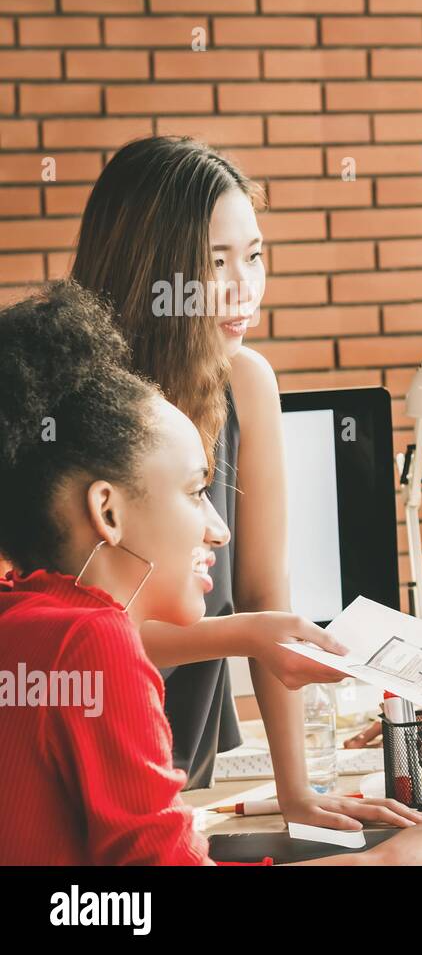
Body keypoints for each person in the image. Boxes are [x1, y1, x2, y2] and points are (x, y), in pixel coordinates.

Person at [0, 282, 422, 866]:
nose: (220, 529)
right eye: (195, 492)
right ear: (107, 511)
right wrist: (386, 861)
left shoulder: (24, 622)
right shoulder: (93, 643)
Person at [69, 136, 374, 831]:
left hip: (185, 755)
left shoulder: (246, 383)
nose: (245, 286)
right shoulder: (77, 401)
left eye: (256, 254)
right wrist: (244, 635)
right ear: (152, 269)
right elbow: (76, 635)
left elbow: (268, 592)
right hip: (86, 737)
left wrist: (296, 790)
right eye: (214, 263)